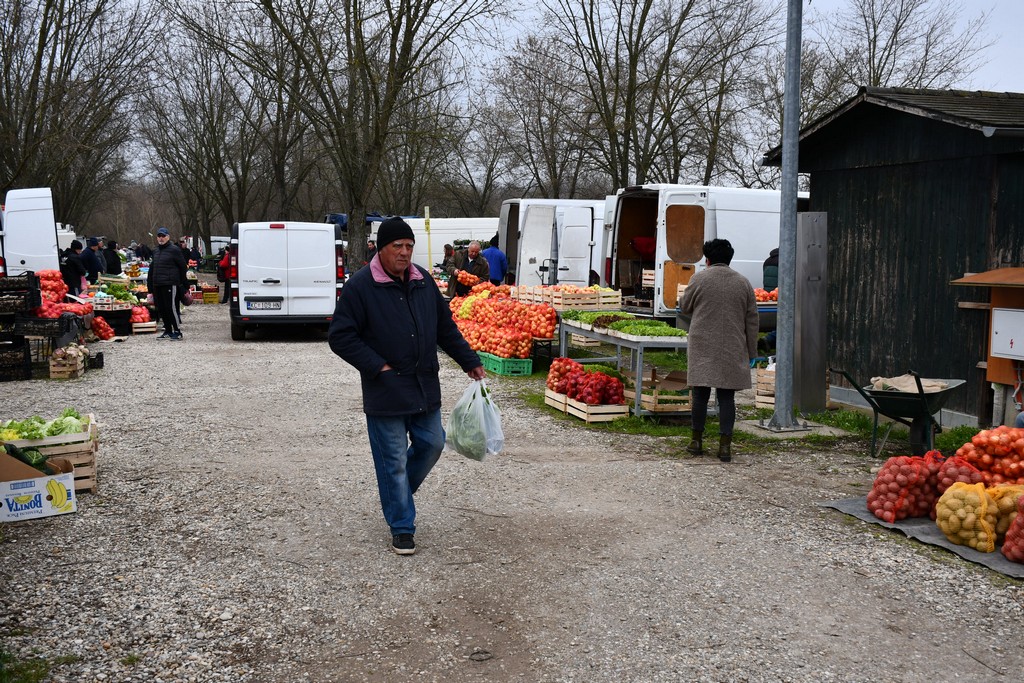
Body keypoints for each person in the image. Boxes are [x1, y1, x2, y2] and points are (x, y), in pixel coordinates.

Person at [328, 217, 485, 556]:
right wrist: (377, 366)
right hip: (385, 387)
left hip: (424, 383)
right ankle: (402, 525)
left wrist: (468, 360)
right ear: (381, 249)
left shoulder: (423, 281)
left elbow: (446, 328)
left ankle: (394, 494)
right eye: (397, 246)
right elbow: (340, 336)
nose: (404, 252)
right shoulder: (361, 285)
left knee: (433, 443)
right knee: (394, 459)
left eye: (409, 246)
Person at [679, 238, 758, 462]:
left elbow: (684, 306)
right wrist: (752, 352)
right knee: (726, 398)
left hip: (703, 344)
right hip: (732, 346)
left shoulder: (699, 279)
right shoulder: (743, 283)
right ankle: (725, 447)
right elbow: (752, 320)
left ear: (708, 259)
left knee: (700, 396)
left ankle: (696, 441)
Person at [147, 227, 187, 340]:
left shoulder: (174, 250)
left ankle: (177, 331)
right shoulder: (155, 251)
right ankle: (168, 331)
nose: (161, 238)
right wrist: (150, 285)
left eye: (163, 236)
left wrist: (182, 283)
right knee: (161, 308)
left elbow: (183, 266)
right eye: (159, 236)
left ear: (168, 237)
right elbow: (152, 268)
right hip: (157, 283)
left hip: (170, 283)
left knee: (171, 307)